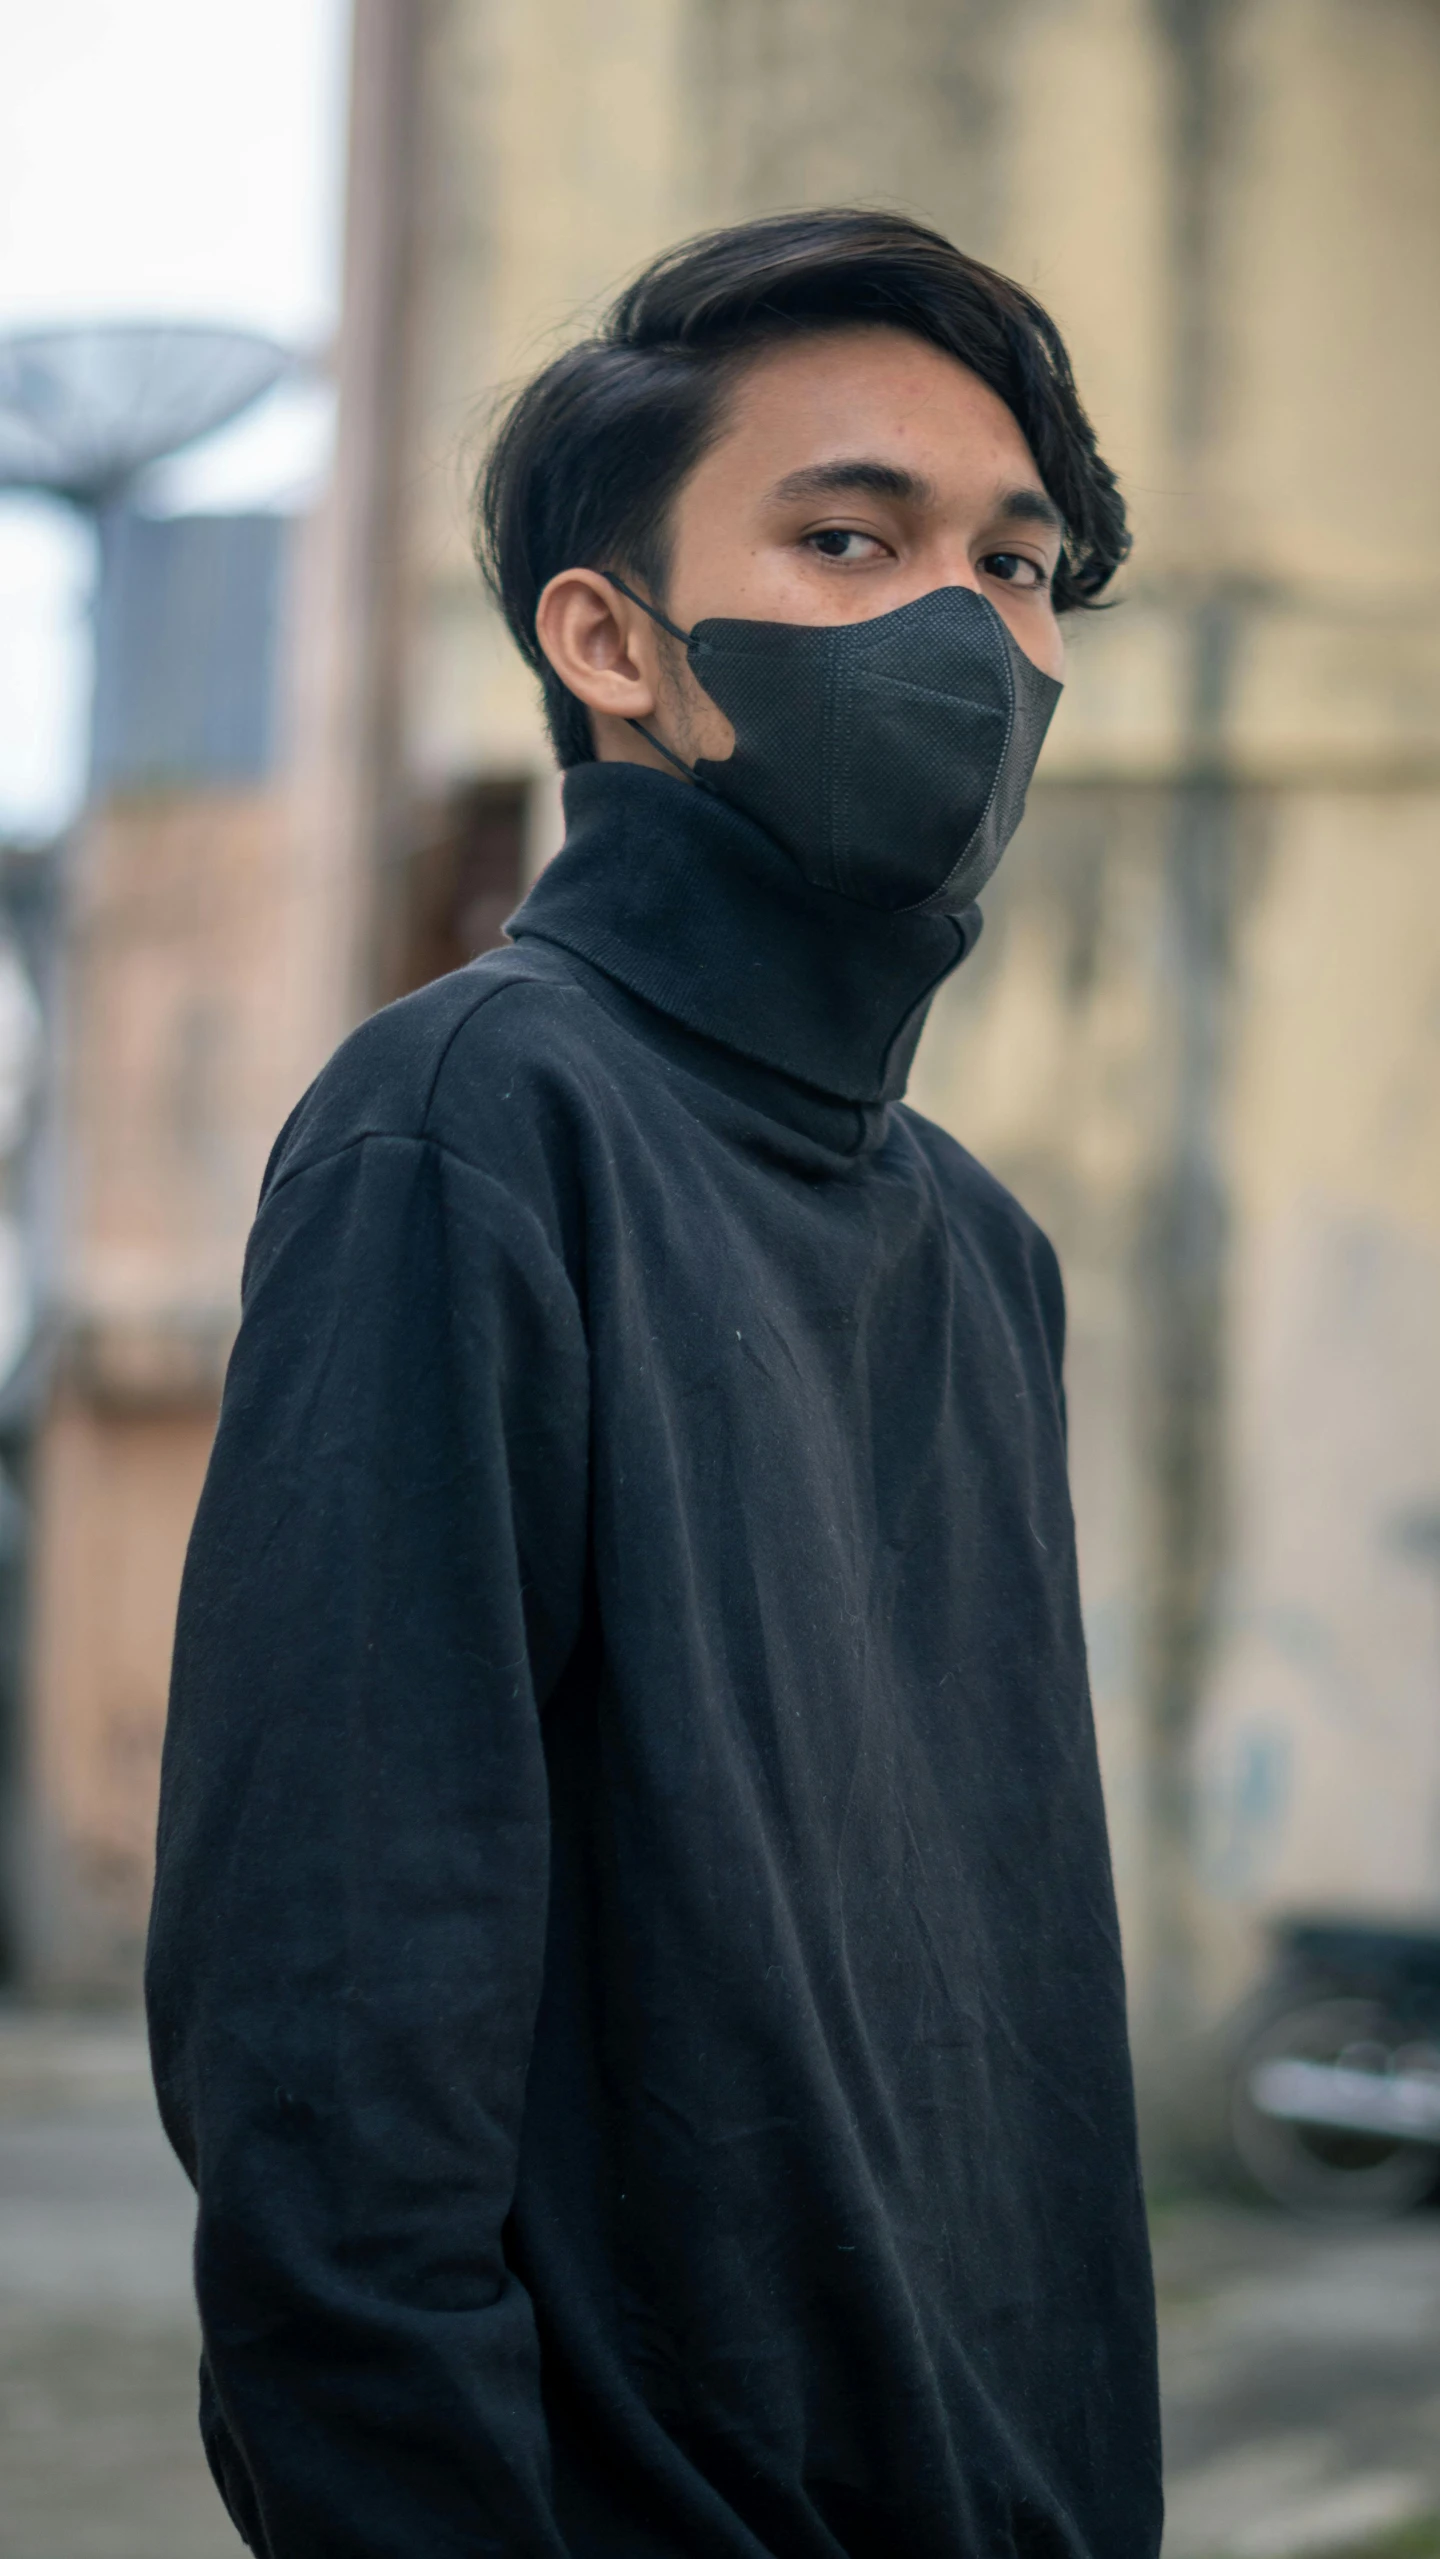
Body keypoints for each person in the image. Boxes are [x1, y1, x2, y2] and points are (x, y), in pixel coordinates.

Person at [147, 208, 1162, 2559]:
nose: (965, 625)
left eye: (1016, 565)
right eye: (847, 536)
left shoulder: (977, 1250)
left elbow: (1009, 2057)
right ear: (612, 643)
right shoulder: (477, 1124)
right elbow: (326, 2055)